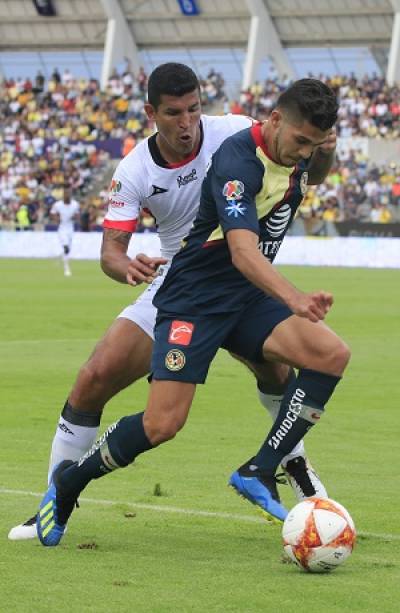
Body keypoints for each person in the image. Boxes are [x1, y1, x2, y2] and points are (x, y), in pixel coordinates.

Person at [10, 67, 332, 542]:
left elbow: (304, 169)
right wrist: (127, 267)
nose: (187, 123)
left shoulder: (239, 132)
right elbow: (110, 254)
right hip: (177, 285)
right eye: (174, 113)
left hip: (242, 283)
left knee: (283, 371)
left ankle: (296, 475)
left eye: (194, 109)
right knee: (95, 376)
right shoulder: (136, 169)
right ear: (151, 114)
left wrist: (322, 147)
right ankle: (53, 503)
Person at [50, 187, 80, 276]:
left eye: (68, 194)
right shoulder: (58, 205)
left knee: (68, 249)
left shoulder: (75, 204)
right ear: (63, 195)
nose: (67, 196)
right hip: (62, 228)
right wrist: (56, 219)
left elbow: (78, 214)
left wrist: (75, 217)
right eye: (65, 194)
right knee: (66, 247)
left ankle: (61, 257)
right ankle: (67, 269)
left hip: (70, 228)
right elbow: (52, 212)